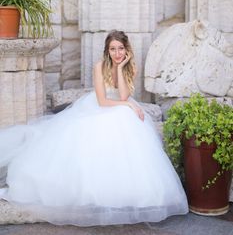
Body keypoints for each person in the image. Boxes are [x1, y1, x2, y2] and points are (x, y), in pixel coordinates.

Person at [0, 30, 188, 226]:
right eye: (113, 49)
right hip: (99, 107)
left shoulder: (129, 67)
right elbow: (103, 101)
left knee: (127, 118)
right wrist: (129, 105)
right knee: (122, 114)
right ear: (107, 51)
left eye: (121, 49)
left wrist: (121, 68)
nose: (117, 53)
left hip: (120, 107)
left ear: (127, 50)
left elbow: (123, 96)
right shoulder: (99, 67)